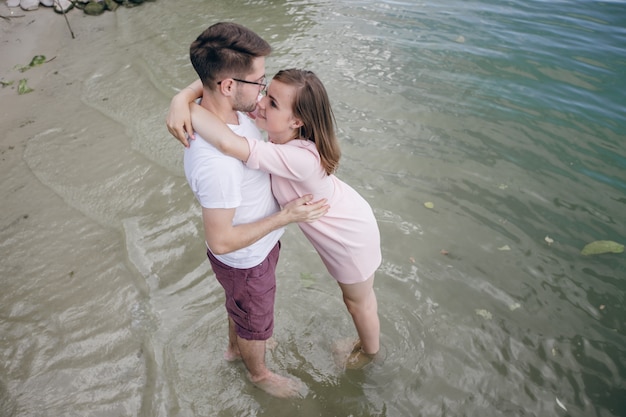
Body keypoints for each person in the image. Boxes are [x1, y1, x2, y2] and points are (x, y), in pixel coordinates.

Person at [170, 68, 382, 369]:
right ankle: (366, 348)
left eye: (272, 103)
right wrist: (185, 96)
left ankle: (370, 355)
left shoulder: (300, 158)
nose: (260, 102)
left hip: (348, 236)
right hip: (344, 216)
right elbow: (219, 87)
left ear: (297, 121)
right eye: (266, 92)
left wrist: (182, 104)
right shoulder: (277, 130)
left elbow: (228, 143)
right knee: (355, 300)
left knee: (358, 302)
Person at [170, 23, 328, 398]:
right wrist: (286, 216)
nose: (263, 91)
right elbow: (221, 241)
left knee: (242, 311)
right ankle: (257, 373)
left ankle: (233, 348)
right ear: (228, 86)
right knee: (256, 322)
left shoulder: (222, 113)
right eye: (258, 83)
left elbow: (202, 87)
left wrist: (180, 99)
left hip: (254, 251)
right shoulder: (217, 164)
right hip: (246, 260)